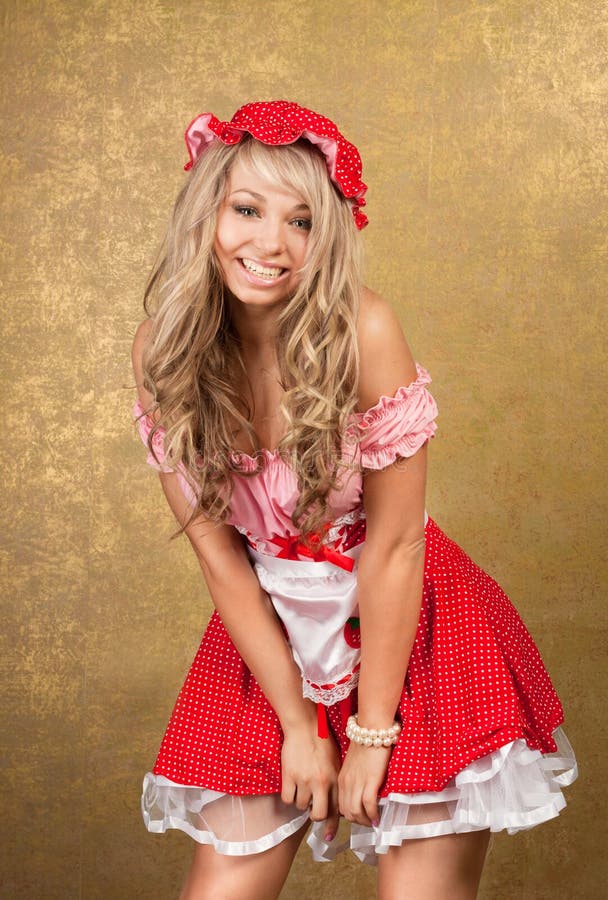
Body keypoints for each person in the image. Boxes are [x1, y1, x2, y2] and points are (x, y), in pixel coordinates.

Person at [131, 100, 577, 900]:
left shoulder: (365, 330)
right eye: (246, 209)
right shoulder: (164, 349)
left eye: (302, 222)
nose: (271, 243)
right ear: (207, 211)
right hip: (269, 638)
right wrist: (299, 727)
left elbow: (398, 544)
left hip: (416, 636)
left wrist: (372, 735)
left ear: (328, 237)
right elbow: (215, 551)